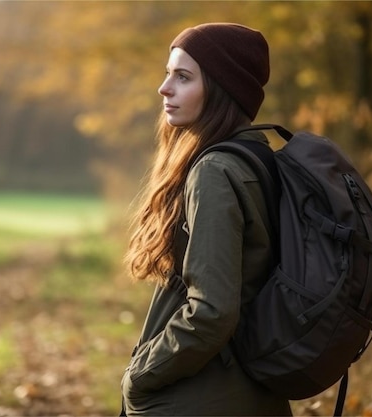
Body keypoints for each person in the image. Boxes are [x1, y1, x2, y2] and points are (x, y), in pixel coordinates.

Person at [120, 23, 292, 416]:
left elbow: (212, 311)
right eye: (168, 73)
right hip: (253, 390)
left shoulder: (214, 171)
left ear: (221, 89)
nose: (165, 88)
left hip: (202, 397)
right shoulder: (259, 158)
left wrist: (141, 375)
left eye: (183, 77)